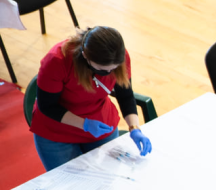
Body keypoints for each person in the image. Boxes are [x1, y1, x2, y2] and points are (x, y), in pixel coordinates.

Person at [29, 26, 152, 171]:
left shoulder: (119, 56)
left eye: (113, 69)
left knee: (108, 177)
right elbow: (47, 106)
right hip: (57, 131)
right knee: (68, 184)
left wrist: (134, 128)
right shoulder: (57, 61)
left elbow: (125, 95)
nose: (108, 73)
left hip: (100, 124)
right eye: (103, 69)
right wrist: (85, 124)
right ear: (85, 56)